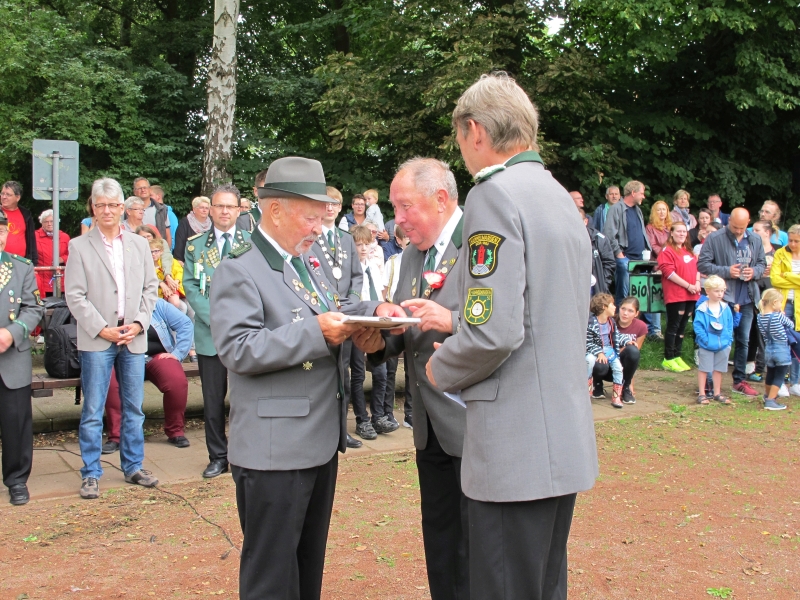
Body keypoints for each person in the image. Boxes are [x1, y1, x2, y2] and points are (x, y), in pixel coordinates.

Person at [428, 72, 598, 599]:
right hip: (559, 438)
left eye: (460, 138)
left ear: (475, 130)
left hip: (513, 448)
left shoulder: (494, 195)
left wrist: (440, 368)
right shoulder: (557, 196)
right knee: (543, 585)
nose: (462, 152)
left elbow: (493, 331)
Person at [208, 156, 403, 600]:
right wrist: (315, 333)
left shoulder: (305, 261)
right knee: (272, 577)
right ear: (275, 210)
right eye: (312, 217)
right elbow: (238, 349)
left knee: (306, 568)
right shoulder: (239, 269)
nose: (320, 227)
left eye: (323, 217)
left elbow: (335, 305)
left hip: (316, 440)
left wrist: (375, 311)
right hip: (275, 450)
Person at [367, 156, 469, 600]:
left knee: (480, 543)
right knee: (441, 540)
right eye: (395, 207)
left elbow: (514, 323)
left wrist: (454, 321)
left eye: (405, 206)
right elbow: (410, 331)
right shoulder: (411, 254)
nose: (398, 219)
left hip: (475, 420)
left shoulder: (481, 244)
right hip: (428, 424)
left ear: (441, 199)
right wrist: (377, 338)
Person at [64, 177, 159, 500]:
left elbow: (150, 288)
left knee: (134, 407)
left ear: (122, 207)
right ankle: (91, 473)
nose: (107, 211)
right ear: (93, 207)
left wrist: (140, 323)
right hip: (98, 337)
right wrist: (101, 328)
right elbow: (75, 295)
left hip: (132, 336)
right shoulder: (79, 246)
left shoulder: (139, 244)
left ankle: (133, 466)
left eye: (113, 205)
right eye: (101, 205)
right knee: (93, 409)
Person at [183, 184, 250, 478]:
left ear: (238, 210)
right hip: (210, 334)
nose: (224, 211)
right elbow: (191, 287)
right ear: (210, 210)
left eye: (230, 206)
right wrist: (218, 320)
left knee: (245, 399)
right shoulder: (196, 246)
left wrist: (238, 320)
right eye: (219, 206)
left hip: (245, 333)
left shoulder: (252, 243)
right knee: (212, 400)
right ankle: (218, 456)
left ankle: (244, 454)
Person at [310, 186, 365, 448]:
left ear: (341, 207)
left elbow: (357, 275)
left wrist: (351, 302)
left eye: (335, 203)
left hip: (347, 314)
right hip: (323, 314)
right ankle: (322, 430)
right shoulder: (311, 236)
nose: (330, 207)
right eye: (326, 203)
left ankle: (342, 430)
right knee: (323, 376)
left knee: (344, 375)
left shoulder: (346, 238)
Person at [103, 298, 194, 447]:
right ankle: (117, 436)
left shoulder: (157, 304)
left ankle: (175, 431)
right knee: (111, 384)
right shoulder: (110, 303)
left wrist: (178, 353)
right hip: (118, 359)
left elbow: (185, 324)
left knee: (176, 381)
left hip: (154, 356)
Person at [0, 208, 45, 505]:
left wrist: (12, 333)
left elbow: (33, 308)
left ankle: (16, 479)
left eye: (1, 231)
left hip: (11, 357)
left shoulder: (21, 267)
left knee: (16, 421)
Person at [697, 207, 766, 396]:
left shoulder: (755, 239)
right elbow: (702, 264)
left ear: (748, 223)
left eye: (742, 228)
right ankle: (709, 381)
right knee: (717, 339)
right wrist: (727, 271)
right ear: (729, 222)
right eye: (735, 227)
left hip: (747, 297)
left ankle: (739, 381)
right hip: (722, 297)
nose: (738, 230)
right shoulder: (715, 238)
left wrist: (755, 272)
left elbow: (762, 264)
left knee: (743, 340)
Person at [351, 224, 396, 434]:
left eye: (366, 244)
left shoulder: (374, 268)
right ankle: (362, 420)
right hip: (357, 325)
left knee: (381, 372)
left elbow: (379, 295)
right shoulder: (350, 271)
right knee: (358, 374)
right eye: (358, 245)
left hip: (376, 325)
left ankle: (378, 416)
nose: (363, 249)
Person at [381, 224, 413, 431]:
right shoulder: (393, 262)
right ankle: (387, 411)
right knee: (390, 368)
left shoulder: (421, 260)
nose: (409, 244)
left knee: (412, 368)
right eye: (406, 240)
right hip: (393, 315)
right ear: (399, 241)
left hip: (412, 316)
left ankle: (410, 412)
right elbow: (384, 291)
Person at [657, 222, 701, 372]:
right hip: (676, 294)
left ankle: (677, 355)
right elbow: (669, 273)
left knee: (682, 327)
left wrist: (696, 283)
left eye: (684, 231)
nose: (682, 234)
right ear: (672, 233)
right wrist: (688, 285)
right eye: (679, 231)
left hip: (691, 294)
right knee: (673, 326)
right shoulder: (667, 251)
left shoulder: (688, 251)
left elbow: (697, 268)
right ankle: (668, 358)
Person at [604, 180, 652, 304]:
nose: (643, 196)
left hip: (641, 259)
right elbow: (609, 234)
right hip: (625, 259)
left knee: (643, 299)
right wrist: (619, 254)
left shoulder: (638, 210)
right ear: (633, 193)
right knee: (624, 296)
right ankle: (620, 316)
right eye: (642, 193)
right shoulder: (616, 209)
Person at [693, 275, 739, 405]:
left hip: (723, 345)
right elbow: (698, 326)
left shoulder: (725, 308)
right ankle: (702, 394)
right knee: (704, 369)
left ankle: (717, 393)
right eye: (716, 291)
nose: (720, 294)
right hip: (706, 345)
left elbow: (729, 325)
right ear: (708, 291)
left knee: (718, 369)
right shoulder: (702, 309)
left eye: (722, 291)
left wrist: (728, 340)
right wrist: (705, 340)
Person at [591, 296, 645, 403]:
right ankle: (597, 384)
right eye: (623, 309)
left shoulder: (641, 327)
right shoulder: (608, 320)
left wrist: (630, 383)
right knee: (598, 358)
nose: (625, 313)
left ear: (636, 313)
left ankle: (625, 387)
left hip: (621, 366)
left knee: (633, 350)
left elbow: (633, 357)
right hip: (604, 362)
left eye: (630, 311)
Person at [746, 220, 780, 383]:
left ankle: (772, 366)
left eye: (757, 230)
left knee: (771, 332)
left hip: (773, 295)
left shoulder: (778, 251)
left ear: (767, 232)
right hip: (754, 292)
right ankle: (751, 363)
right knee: (753, 330)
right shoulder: (749, 249)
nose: (753, 232)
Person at [769, 223, 800, 397]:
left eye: (796, 241)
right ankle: (779, 383)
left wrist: (787, 275)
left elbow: (781, 277)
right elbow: (774, 279)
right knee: (780, 342)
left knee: (798, 343)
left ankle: (796, 382)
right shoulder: (780, 253)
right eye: (791, 240)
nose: (792, 244)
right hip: (783, 303)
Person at [586, 293, 626, 408]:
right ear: (604, 307)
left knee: (618, 368)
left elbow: (617, 336)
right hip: (594, 350)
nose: (615, 307)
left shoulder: (611, 322)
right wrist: (599, 352)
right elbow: (588, 342)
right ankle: (586, 390)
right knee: (589, 361)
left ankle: (616, 396)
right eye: (612, 304)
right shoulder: (591, 323)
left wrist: (627, 341)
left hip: (609, 350)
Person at [756, 288, 792, 410]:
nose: (781, 305)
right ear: (774, 302)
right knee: (780, 375)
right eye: (780, 302)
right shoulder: (778, 316)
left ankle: (767, 396)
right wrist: (782, 314)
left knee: (770, 373)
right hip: (781, 348)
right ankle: (771, 400)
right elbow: (790, 325)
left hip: (768, 348)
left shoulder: (760, 317)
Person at [34, 209, 70, 297]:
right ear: (41, 223)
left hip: (60, 280)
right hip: (42, 280)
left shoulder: (65, 237)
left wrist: (63, 259)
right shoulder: (34, 236)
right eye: (46, 222)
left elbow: (72, 255)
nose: (49, 224)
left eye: (52, 221)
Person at [1, 181, 37, 263]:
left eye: (8, 194)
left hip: (21, 262)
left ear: (17, 197)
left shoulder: (26, 214)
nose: (4, 197)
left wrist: (34, 262)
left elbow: (31, 240)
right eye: (2, 193)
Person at [581, 208, 614, 295]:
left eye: (579, 221)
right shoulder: (565, 240)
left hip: (595, 290)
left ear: (585, 221)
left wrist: (603, 284)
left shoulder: (599, 239)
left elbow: (609, 263)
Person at [149, 239, 186, 313]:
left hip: (176, 289)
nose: (153, 254)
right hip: (160, 293)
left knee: (189, 306)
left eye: (156, 251)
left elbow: (179, 271)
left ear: (161, 251)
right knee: (181, 306)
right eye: (151, 252)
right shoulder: (148, 265)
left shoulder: (169, 260)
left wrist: (176, 281)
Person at [132, 177, 171, 246]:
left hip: (156, 249)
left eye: (145, 187)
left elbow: (167, 235)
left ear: (150, 190)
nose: (143, 190)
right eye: (139, 188)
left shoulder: (161, 209)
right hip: (135, 248)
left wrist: (166, 250)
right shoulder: (129, 209)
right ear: (134, 192)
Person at [173, 196, 212, 264]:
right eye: (201, 207)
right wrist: (179, 260)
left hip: (208, 261)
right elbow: (180, 243)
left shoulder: (212, 224)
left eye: (207, 208)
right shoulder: (185, 222)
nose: (204, 210)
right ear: (194, 209)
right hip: (188, 262)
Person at [150, 185, 179, 250]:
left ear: (158, 196)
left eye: (151, 195)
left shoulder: (169, 214)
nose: (148, 198)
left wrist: (169, 251)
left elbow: (174, 235)